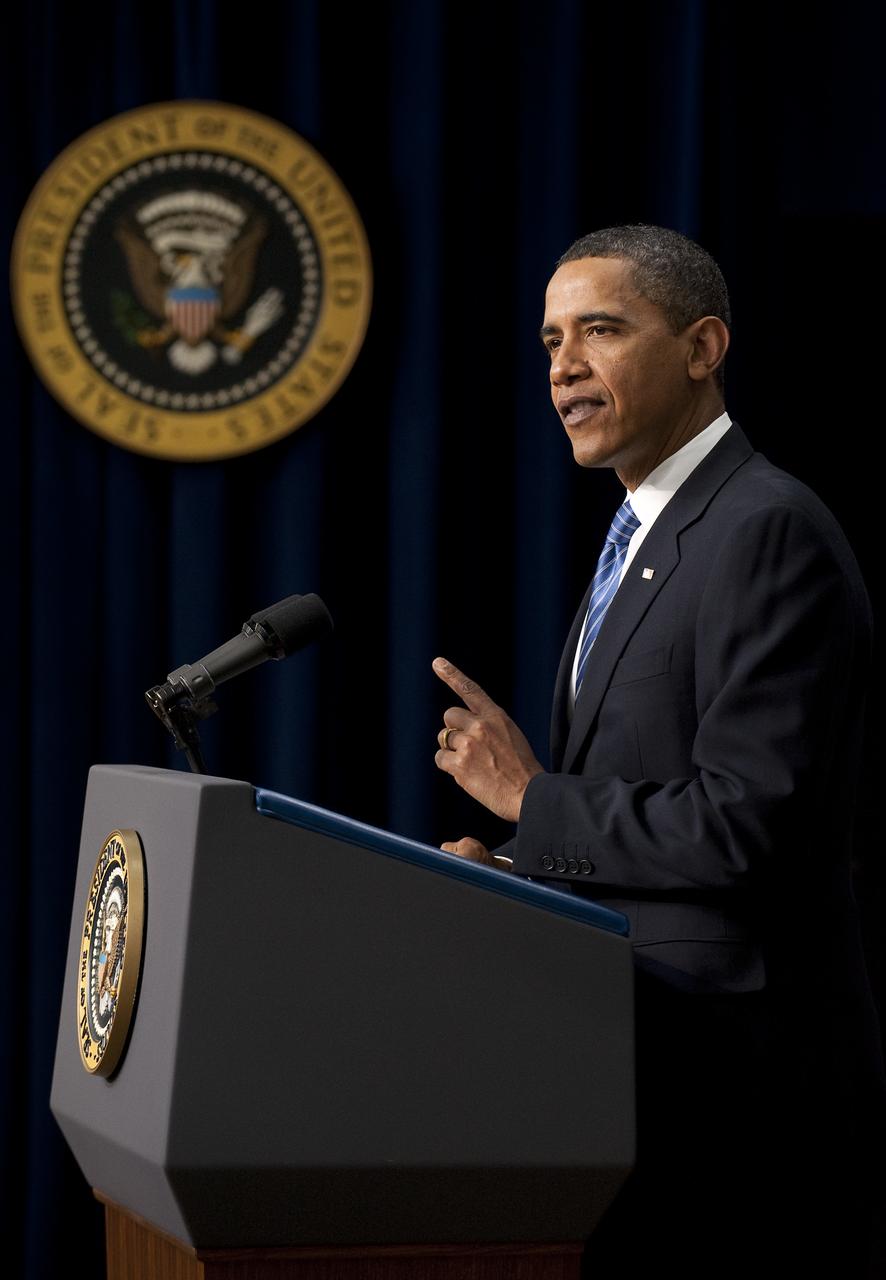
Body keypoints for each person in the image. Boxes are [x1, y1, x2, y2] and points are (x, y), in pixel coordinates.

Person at [432, 225, 885, 1277]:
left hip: (744, 1104)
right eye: (549, 339)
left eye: (600, 328)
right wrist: (508, 873)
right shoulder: (644, 536)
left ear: (701, 346)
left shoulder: (763, 528)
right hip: (637, 1078)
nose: (562, 365)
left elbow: (747, 822)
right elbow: (655, 805)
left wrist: (533, 801)